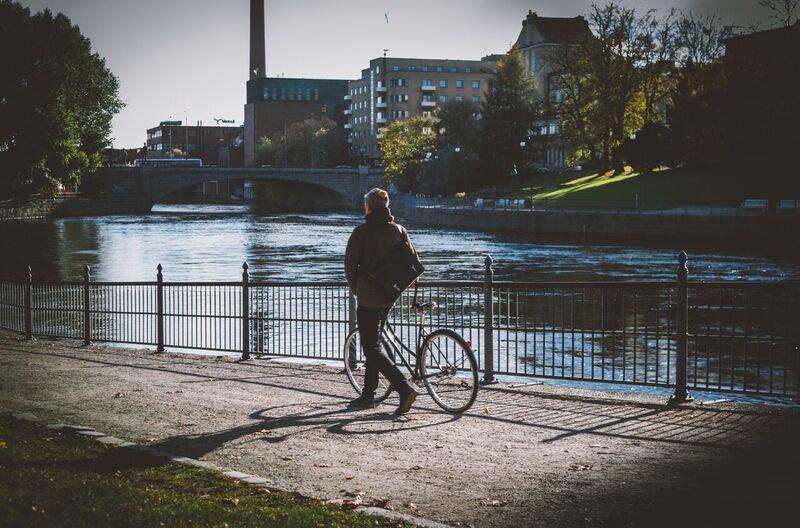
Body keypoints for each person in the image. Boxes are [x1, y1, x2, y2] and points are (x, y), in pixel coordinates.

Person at [344, 188, 419, 414]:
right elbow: (413, 261)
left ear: (368, 207)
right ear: (387, 207)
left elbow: (350, 266)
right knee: (373, 344)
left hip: (368, 296)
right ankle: (368, 395)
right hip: (390, 295)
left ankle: (404, 388)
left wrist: (356, 289)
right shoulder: (399, 230)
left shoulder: (362, 232)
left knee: (371, 348)